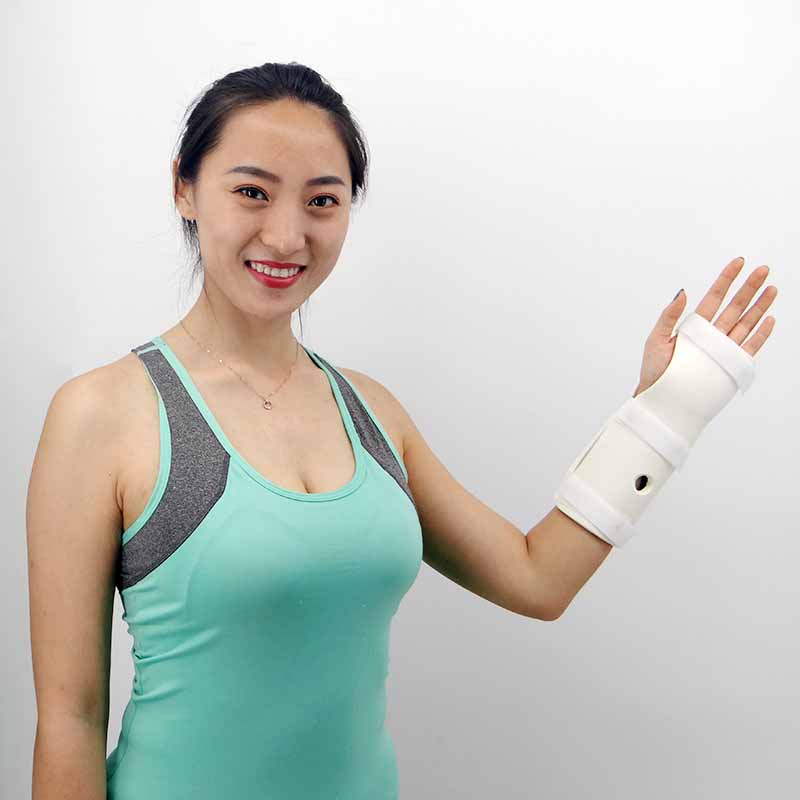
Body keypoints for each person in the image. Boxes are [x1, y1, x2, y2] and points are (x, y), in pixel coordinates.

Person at [26, 62, 779, 799]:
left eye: (322, 201)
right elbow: (70, 718)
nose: (286, 235)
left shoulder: (371, 411)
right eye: (252, 192)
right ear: (184, 189)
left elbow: (537, 579)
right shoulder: (102, 412)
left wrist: (663, 411)